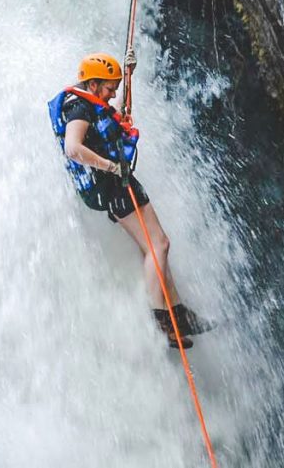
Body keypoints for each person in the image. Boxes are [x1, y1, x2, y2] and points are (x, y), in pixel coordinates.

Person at [48, 52, 212, 348]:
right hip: (113, 184)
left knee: (154, 248)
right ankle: (162, 319)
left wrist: (129, 75)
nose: (113, 94)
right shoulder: (78, 109)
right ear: (94, 84)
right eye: (110, 88)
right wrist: (112, 167)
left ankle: (177, 315)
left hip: (114, 183)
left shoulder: (89, 103)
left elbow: (107, 120)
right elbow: (73, 148)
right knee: (158, 245)